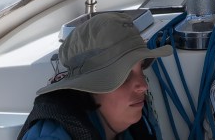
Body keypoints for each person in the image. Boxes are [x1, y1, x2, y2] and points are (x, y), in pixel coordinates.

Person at [18, 11, 171, 140]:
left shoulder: (139, 116)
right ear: (89, 87)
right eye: (124, 75)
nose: (143, 86)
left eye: (141, 69)